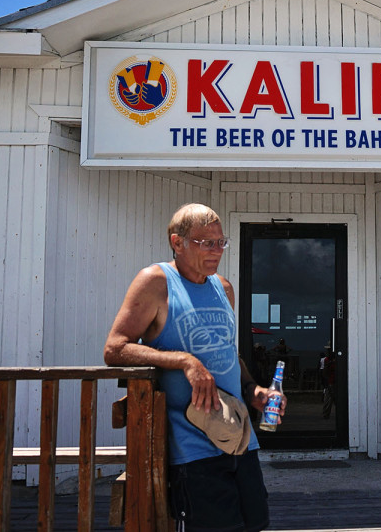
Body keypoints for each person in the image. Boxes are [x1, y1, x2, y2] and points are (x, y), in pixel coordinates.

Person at [104, 203, 285, 532]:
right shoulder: (156, 281)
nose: (216, 251)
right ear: (178, 242)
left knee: (256, 523)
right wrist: (185, 361)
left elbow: (230, 353)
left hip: (240, 438)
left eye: (220, 242)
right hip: (193, 448)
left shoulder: (223, 288)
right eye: (206, 242)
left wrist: (253, 391)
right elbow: (115, 348)